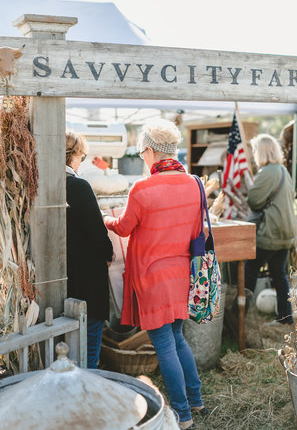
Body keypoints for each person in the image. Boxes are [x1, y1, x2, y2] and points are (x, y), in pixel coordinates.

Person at [104, 119, 207, 430]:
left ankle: (181, 414)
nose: (142, 158)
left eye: (141, 153)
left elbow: (123, 227)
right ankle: (196, 399)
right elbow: (195, 231)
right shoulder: (194, 183)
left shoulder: (142, 188)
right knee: (176, 338)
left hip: (152, 277)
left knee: (164, 342)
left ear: (149, 151)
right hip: (182, 275)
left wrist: (108, 219)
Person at [66, 130, 114, 369]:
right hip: (86, 280)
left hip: (61, 282)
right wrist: (108, 254)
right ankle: (87, 393)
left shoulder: (39, 184)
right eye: (82, 155)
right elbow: (98, 234)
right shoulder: (78, 186)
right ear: (73, 154)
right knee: (88, 346)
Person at [245, 133, 296, 325]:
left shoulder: (267, 172)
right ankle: (285, 317)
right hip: (285, 233)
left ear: (262, 151)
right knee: (279, 275)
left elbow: (253, 200)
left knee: (249, 273)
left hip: (270, 233)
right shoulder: (282, 170)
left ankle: (241, 317)